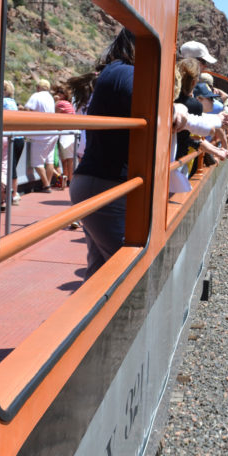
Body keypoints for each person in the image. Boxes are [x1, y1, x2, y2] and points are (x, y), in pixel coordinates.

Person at [70, 29, 135, 279]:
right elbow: (152, 110)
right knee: (125, 274)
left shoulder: (113, 70)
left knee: (99, 271)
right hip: (106, 185)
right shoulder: (125, 72)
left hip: (96, 182)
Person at [24, 78, 58, 192]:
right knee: (49, 160)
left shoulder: (36, 96)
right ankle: (46, 185)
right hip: (52, 132)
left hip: (41, 135)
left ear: (38, 87)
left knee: (37, 162)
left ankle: (46, 184)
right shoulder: (50, 97)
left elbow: (27, 109)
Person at [2, 80, 24, 205]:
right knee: (12, 167)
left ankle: (13, 195)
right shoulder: (12, 102)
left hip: (11, 138)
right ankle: (13, 193)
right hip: (19, 138)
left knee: (9, 167)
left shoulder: (3, 102)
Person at [53, 82, 76, 190]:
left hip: (64, 135)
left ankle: (67, 182)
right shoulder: (69, 103)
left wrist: (55, 101)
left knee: (65, 161)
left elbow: (54, 116)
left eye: (60, 92)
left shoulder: (60, 103)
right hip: (72, 133)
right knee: (70, 160)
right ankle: (69, 182)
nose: (58, 94)